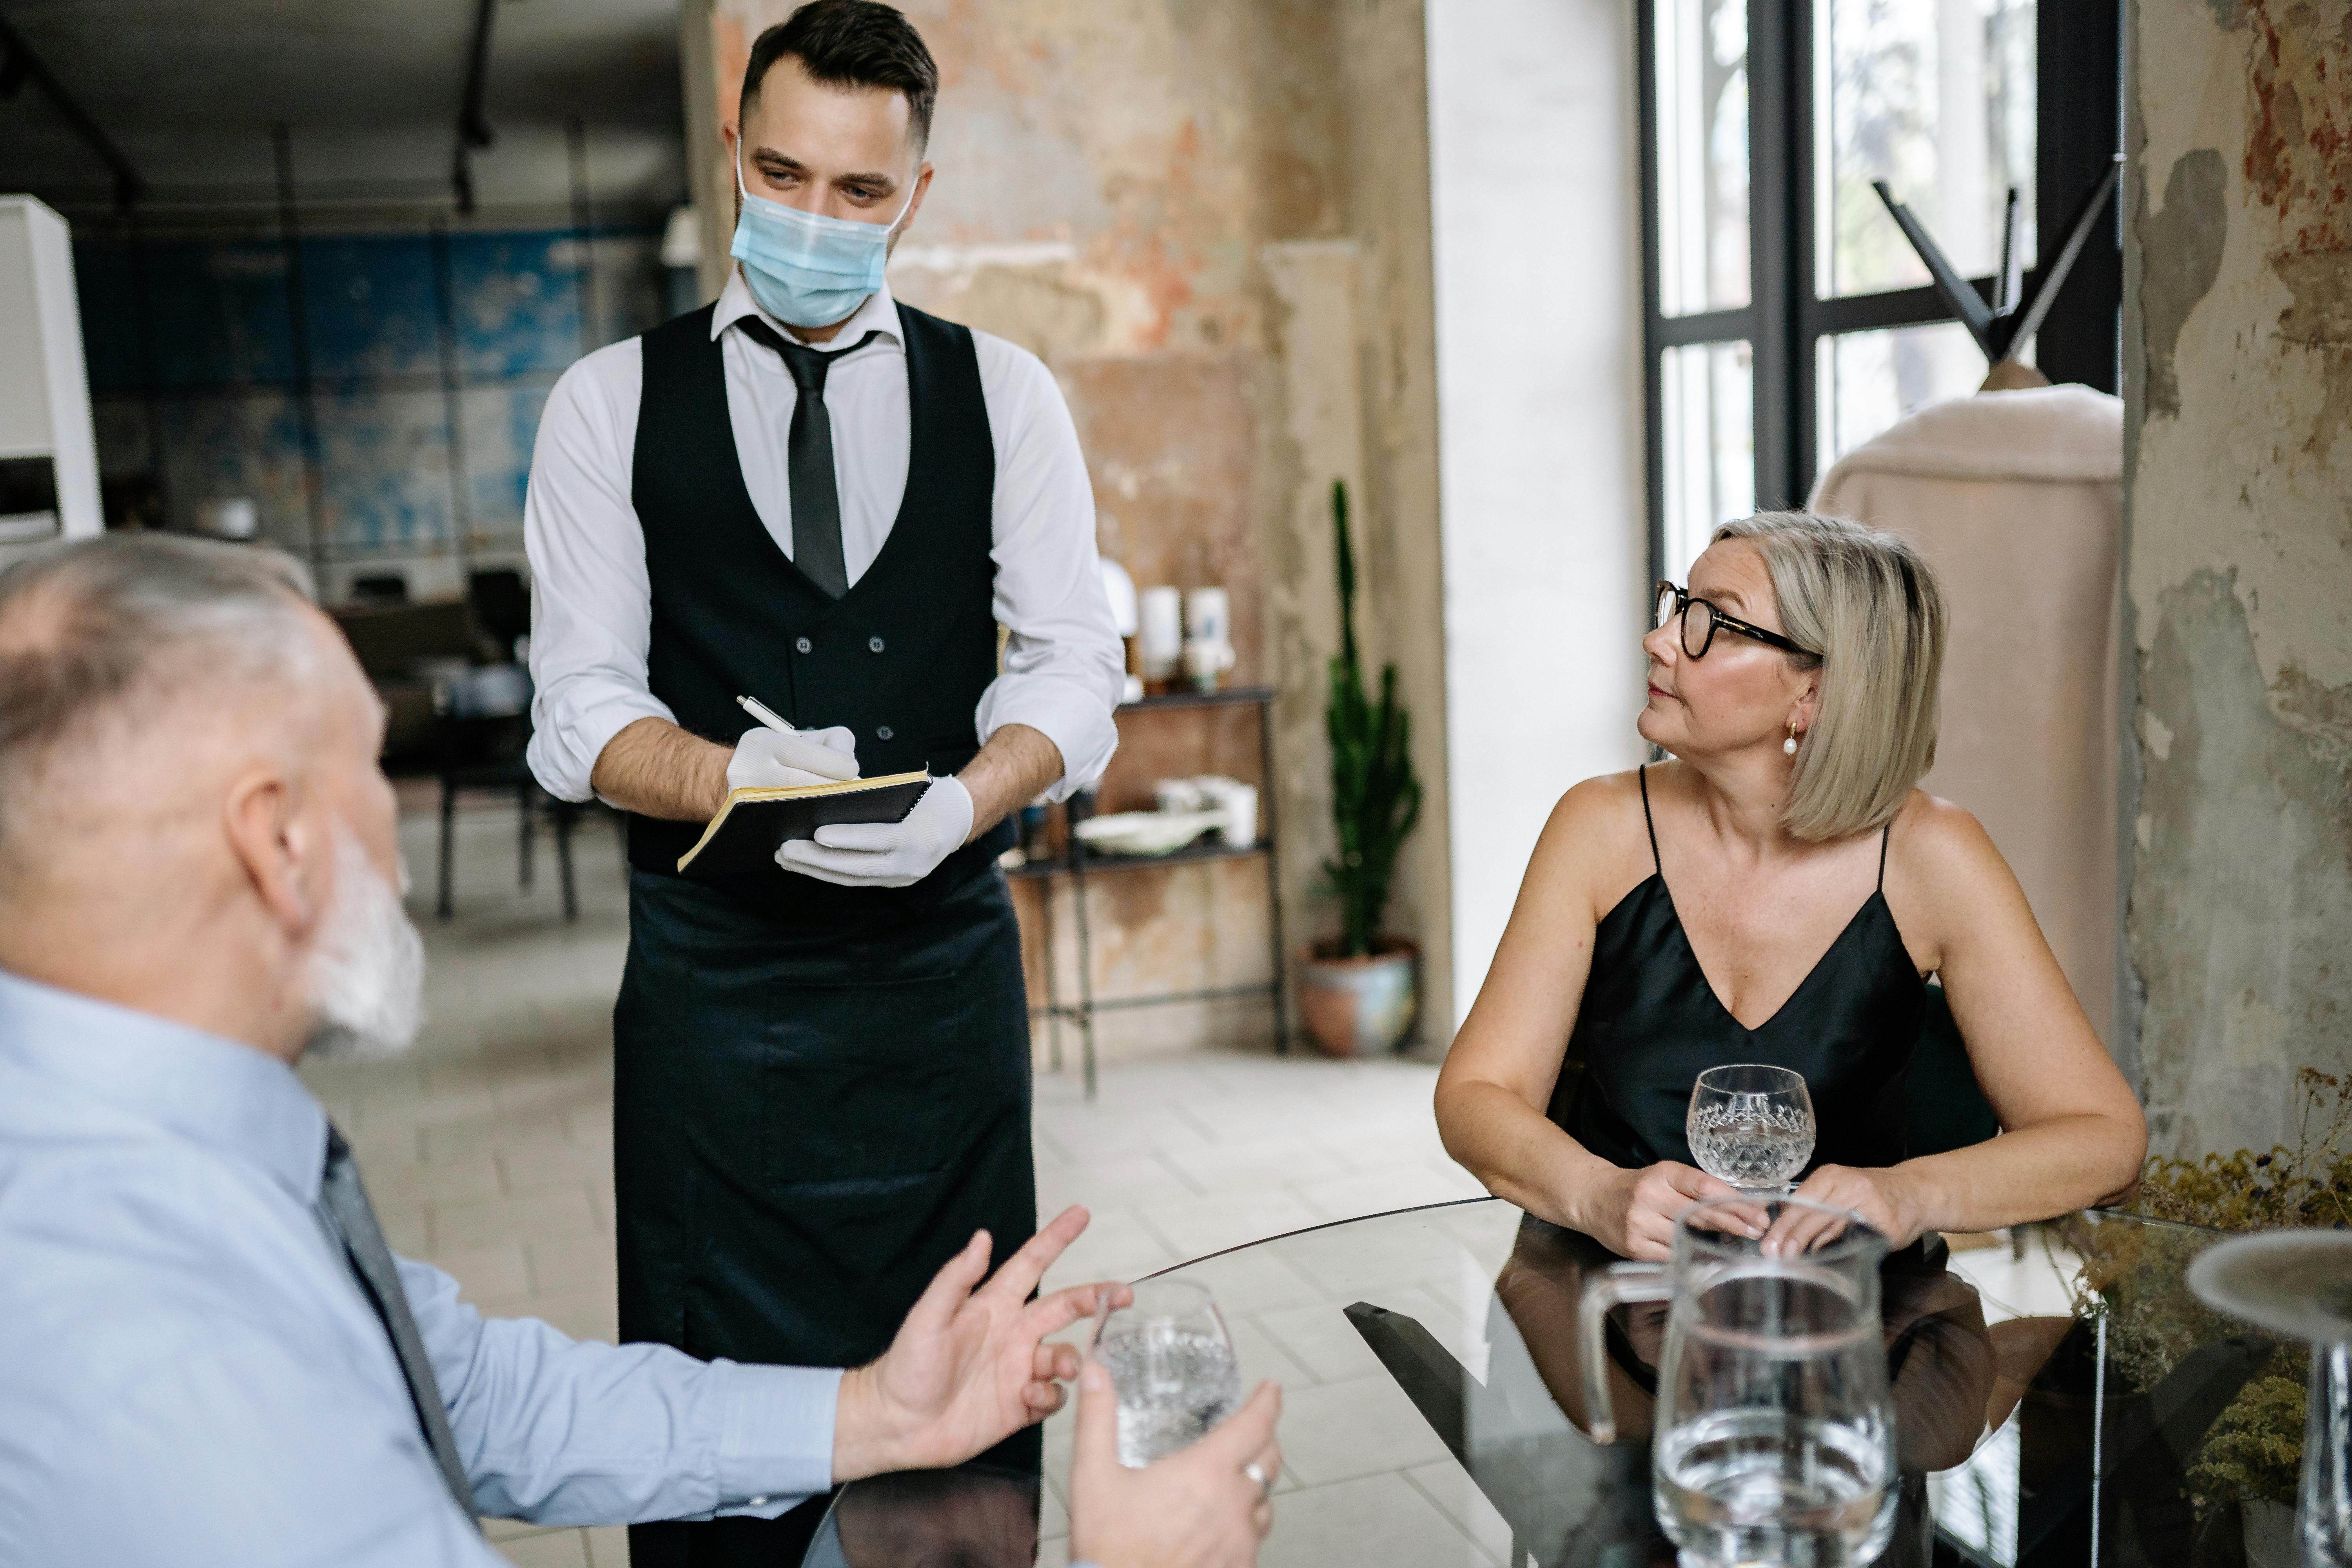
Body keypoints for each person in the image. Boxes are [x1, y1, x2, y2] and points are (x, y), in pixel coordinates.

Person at [0, 538, 1274, 1568]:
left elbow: (471, 1393)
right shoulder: (155, 1360)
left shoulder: (148, 1143)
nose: (390, 825)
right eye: (373, 769)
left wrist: (876, 1413)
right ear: (273, 842)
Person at [521, 3, 1123, 1557]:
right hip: (717, 1007)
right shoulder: (607, 405)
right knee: (717, 1459)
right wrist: (737, 774)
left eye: (859, 193)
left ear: (916, 196)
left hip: (941, 1005)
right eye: (782, 175)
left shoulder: (1008, 395)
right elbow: (580, 710)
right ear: (734, 153)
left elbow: (1072, 667)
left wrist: (967, 798)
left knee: (968, 1436)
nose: (814, 217)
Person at [1434, 511, 2147, 1261]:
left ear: (1812, 692)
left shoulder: (1934, 857)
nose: (1661, 640)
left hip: (1852, 1321)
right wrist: (1596, 1195)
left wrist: (1909, 1194)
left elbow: (2104, 1139)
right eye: (1679, 605)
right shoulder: (1597, 825)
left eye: (1713, 623)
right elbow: (1476, 1095)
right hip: (1604, 1297)